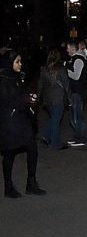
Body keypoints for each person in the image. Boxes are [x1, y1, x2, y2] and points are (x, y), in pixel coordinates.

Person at [0, 50, 46, 197]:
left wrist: (30, 98)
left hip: (22, 121)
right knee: (9, 154)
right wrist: (25, 100)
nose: (20, 64)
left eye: (20, 61)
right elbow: (8, 101)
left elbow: (21, 95)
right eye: (17, 61)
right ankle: (8, 186)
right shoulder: (3, 80)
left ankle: (31, 183)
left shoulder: (18, 77)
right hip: (9, 123)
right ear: (10, 63)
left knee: (32, 148)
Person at [38, 47, 70, 149]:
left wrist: (38, 97)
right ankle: (55, 143)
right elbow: (66, 85)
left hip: (48, 99)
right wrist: (70, 99)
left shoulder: (44, 69)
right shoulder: (61, 69)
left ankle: (46, 136)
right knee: (56, 120)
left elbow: (40, 85)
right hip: (58, 98)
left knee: (54, 118)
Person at [65, 40, 87, 147]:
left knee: (78, 116)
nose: (67, 50)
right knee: (74, 116)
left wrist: (66, 70)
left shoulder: (78, 59)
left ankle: (81, 138)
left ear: (72, 48)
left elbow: (76, 76)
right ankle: (77, 137)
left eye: (68, 48)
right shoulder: (75, 59)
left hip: (78, 91)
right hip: (75, 91)